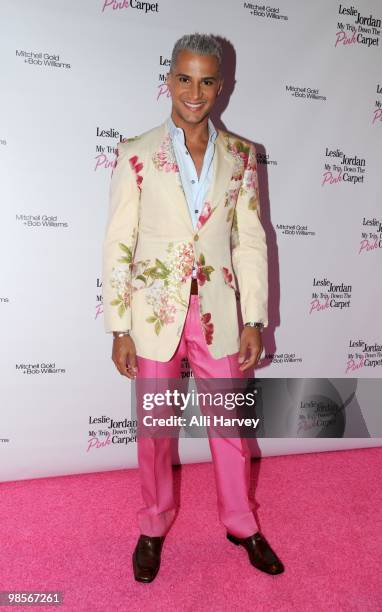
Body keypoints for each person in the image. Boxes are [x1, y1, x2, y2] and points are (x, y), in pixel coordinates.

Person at [102, 33, 284, 582]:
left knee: (230, 425)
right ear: (169, 80)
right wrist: (119, 325)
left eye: (207, 80)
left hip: (221, 315)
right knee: (156, 432)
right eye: (185, 78)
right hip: (154, 314)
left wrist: (254, 318)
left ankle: (240, 522)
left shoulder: (242, 156)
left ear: (221, 86)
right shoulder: (135, 153)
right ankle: (153, 525)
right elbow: (118, 243)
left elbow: (250, 240)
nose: (195, 91)